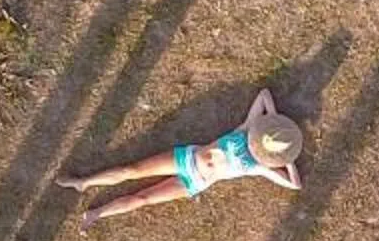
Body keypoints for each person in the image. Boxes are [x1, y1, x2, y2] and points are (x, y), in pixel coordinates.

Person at [62, 89, 303, 227]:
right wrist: (273, 119)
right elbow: (264, 95)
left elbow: (294, 184)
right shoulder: (247, 128)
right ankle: (84, 182)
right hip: (186, 158)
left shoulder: (259, 166)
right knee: (131, 170)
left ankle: (96, 214)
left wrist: (285, 158)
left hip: (195, 183)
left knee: (143, 198)